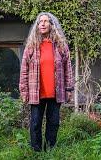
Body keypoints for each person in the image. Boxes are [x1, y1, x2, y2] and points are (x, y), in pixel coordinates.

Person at [19, 12, 74, 152]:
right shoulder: (31, 46)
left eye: (46, 21)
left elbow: (68, 69)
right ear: (37, 26)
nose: (42, 24)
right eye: (40, 22)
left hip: (56, 93)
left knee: (53, 122)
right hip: (36, 92)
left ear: (51, 24)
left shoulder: (61, 46)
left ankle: (49, 150)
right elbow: (24, 70)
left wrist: (69, 89)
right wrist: (23, 90)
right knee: (36, 123)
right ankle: (36, 151)